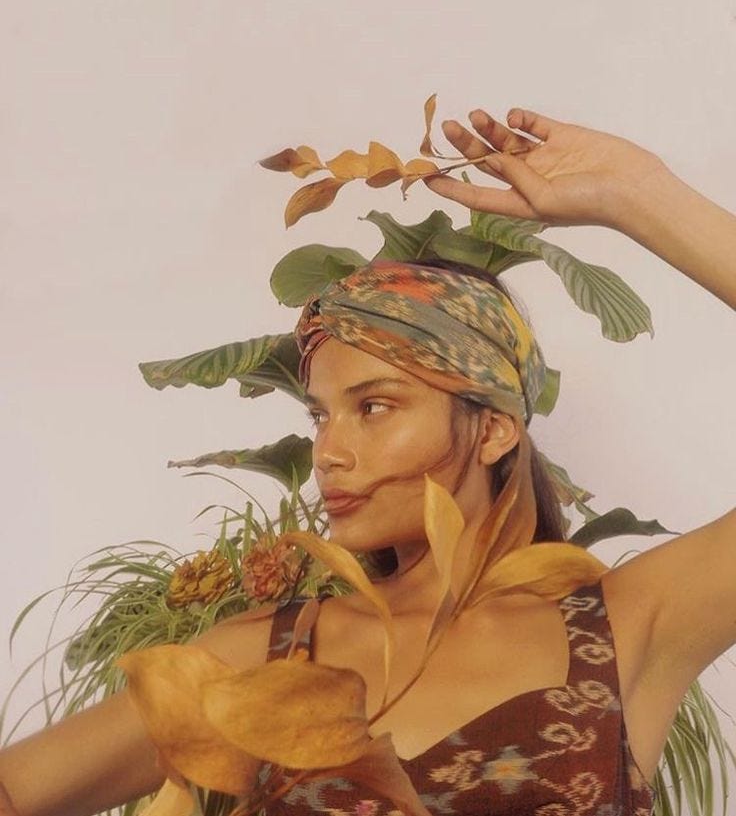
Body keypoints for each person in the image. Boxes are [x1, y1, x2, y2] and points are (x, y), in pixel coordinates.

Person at [0, 107, 733, 816]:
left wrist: (637, 192)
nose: (329, 450)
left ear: (495, 430)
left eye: (373, 407)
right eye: (320, 414)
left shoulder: (630, 624)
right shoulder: (270, 654)